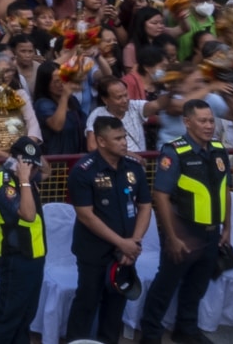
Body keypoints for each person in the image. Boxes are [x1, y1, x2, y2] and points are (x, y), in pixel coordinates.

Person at [137, 98, 231, 344]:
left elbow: (225, 190)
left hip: (211, 232)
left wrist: (227, 226)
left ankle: (186, 329)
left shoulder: (219, 150)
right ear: (187, 123)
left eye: (211, 120)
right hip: (183, 232)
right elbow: (161, 195)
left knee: (197, 285)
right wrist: (172, 236)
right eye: (202, 121)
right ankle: (150, 333)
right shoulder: (174, 151)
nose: (209, 125)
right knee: (166, 285)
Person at [66, 114, 152, 344]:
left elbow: (145, 206)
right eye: (117, 138)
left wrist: (133, 242)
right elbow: (86, 215)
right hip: (93, 251)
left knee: (116, 304)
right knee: (87, 301)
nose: (124, 142)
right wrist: (121, 243)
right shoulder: (83, 171)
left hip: (126, 252)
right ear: (101, 141)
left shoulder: (133, 167)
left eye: (124, 137)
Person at [0, 135, 45, 344]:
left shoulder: (29, 176)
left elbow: (48, 171)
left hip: (35, 257)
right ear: (14, 160)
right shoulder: (5, 179)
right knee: (7, 318)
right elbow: (27, 214)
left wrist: (37, 147)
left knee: (25, 317)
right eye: (25, 163)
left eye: (33, 165)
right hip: (16, 258)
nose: (31, 169)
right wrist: (24, 180)